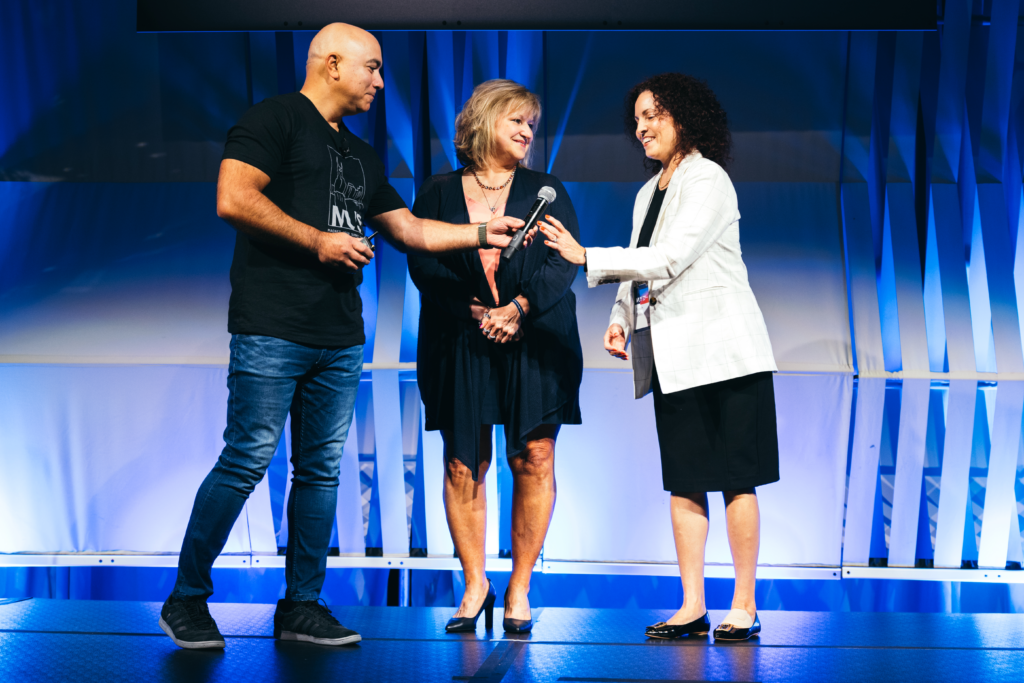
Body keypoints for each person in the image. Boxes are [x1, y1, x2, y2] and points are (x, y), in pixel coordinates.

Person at [159, 24, 526, 651]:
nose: (380, 81)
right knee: (247, 459)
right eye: (372, 67)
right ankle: (187, 598)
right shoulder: (273, 119)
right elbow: (233, 197)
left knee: (320, 472)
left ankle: (302, 605)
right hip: (272, 326)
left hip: (339, 335)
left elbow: (408, 229)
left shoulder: (358, 154)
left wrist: (478, 233)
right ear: (332, 64)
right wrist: (318, 241)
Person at [538, 73, 778, 642]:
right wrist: (620, 319)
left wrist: (583, 255)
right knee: (686, 481)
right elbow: (640, 264)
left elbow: (669, 257)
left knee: (738, 480)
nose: (642, 128)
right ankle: (692, 604)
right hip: (672, 356)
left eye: (654, 115)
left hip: (726, 353)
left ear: (685, 117)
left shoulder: (707, 178)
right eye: (637, 119)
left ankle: (744, 604)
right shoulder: (649, 193)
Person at [407, 80, 583, 634]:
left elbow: (564, 262)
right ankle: (475, 584)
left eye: (532, 124)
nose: (528, 132)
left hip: (537, 336)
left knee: (535, 457)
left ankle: (520, 587)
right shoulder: (438, 191)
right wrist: (475, 310)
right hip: (460, 338)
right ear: (484, 120)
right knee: (464, 461)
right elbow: (422, 262)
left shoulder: (545, 189)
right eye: (517, 121)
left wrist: (519, 308)